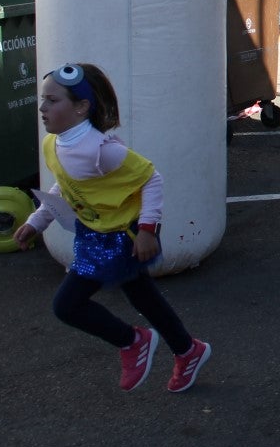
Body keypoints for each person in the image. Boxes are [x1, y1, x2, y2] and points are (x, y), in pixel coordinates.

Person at [12, 63, 211, 393]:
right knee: (144, 298)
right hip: (94, 235)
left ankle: (133, 342)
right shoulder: (54, 144)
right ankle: (188, 351)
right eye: (42, 100)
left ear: (81, 107)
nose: (42, 108)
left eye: (52, 100)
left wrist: (148, 229)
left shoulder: (102, 150)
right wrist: (38, 221)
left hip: (124, 238)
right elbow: (67, 186)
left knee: (68, 305)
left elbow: (150, 178)